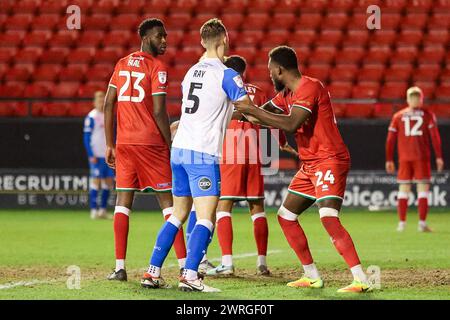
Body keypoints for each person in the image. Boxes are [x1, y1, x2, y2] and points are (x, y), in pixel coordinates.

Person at [234, 46, 372, 293]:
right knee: (286, 216)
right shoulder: (285, 94)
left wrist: (253, 111)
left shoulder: (310, 87)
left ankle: (361, 278)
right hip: (310, 164)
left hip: (330, 159)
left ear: (279, 69)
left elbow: (290, 123)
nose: (270, 76)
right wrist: (221, 114)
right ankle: (311, 275)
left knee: (328, 216)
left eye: (270, 72)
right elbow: (257, 116)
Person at [141, 18, 253, 292]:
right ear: (225, 40)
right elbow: (248, 107)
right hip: (203, 154)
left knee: (178, 214)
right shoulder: (227, 74)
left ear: (202, 41)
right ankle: (191, 274)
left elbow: (204, 109)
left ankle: (152, 271)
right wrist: (277, 119)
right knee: (205, 217)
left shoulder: (192, 72)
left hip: (179, 150)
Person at [103, 18, 186, 281]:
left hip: (125, 143)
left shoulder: (121, 63)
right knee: (170, 206)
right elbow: (160, 110)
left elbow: (108, 104)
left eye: (166, 36)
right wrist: (169, 143)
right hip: (150, 143)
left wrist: (109, 143)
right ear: (146, 37)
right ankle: (185, 266)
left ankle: (119, 267)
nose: (165, 41)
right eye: (160, 36)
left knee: (123, 202)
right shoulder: (157, 67)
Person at [207, 55, 296, 276]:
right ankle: (262, 263)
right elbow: (273, 119)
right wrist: (283, 143)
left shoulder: (222, 87)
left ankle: (227, 263)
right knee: (257, 207)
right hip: (254, 155)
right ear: (244, 71)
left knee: (223, 206)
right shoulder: (259, 91)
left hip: (231, 152)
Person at [385, 86, 444, 232]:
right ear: (408, 99)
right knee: (420, 189)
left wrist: (389, 159)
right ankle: (416, 223)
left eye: (417, 97)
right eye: (414, 97)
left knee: (405, 189)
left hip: (409, 158)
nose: (415, 100)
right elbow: (435, 137)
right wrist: (438, 156)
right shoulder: (427, 114)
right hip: (419, 157)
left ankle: (405, 224)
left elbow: (390, 140)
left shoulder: (398, 115)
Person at [83, 90, 114, 219]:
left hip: (107, 154)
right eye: (99, 99)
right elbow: (86, 137)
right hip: (96, 155)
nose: (101, 102)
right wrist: (91, 154)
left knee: (108, 182)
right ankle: (93, 210)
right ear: (94, 102)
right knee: (96, 181)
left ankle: (102, 210)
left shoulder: (108, 115)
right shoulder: (91, 117)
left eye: (103, 99)